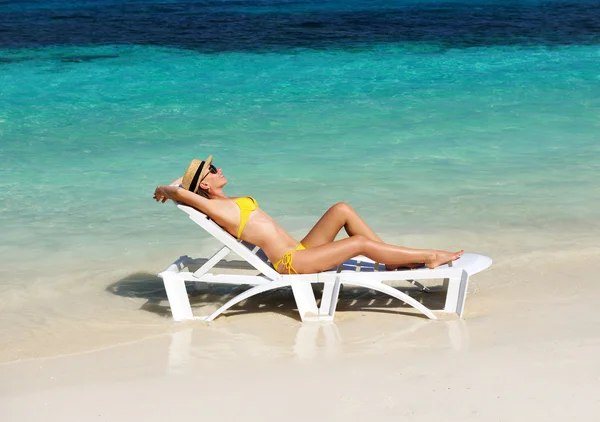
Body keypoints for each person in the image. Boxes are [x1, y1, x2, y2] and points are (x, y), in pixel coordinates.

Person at [153, 155, 463, 275]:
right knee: (357, 244)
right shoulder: (215, 207)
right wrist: (165, 189)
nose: (219, 168)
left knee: (341, 209)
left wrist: (182, 183)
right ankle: (430, 255)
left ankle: (393, 260)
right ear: (204, 184)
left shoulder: (225, 200)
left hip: (302, 250)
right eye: (212, 169)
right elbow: (180, 191)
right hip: (291, 263)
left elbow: (183, 187)